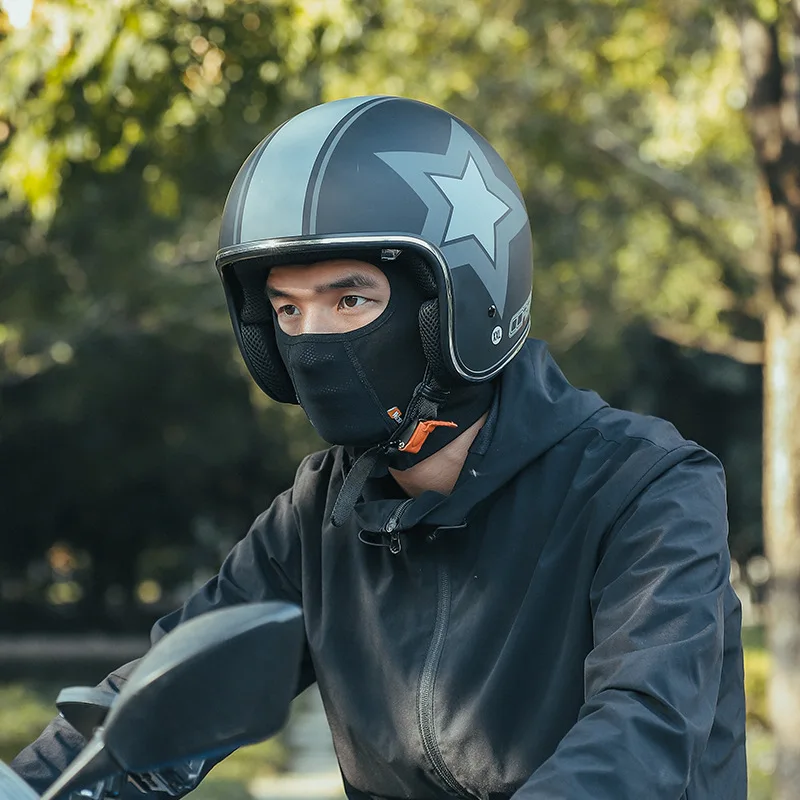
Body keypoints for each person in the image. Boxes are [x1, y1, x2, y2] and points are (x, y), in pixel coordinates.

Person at [12, 95, 746, 799]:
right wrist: (34, 786)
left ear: (462, 299)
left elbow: (637, 740)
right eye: (287, 310)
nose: (311, 339)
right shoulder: (319, 517)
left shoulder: (646, 490)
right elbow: (161, 706)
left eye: (349, 300)